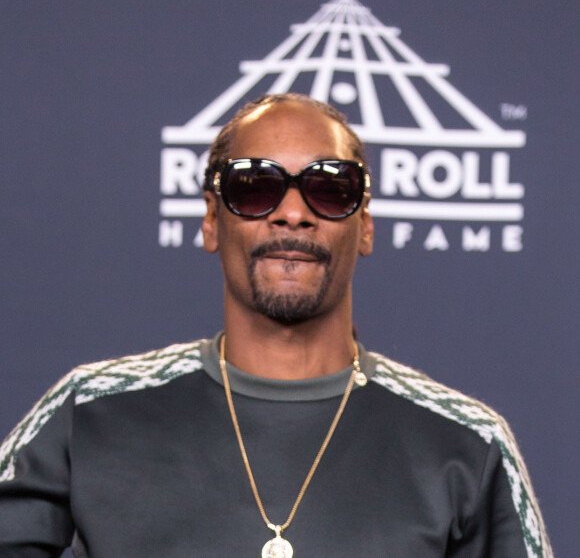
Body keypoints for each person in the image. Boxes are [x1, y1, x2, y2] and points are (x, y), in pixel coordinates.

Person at [0, 93, 552, 557]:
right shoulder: (90, 411)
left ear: (365, 227)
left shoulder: (468, 444)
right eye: (254, 187)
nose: (293, 212)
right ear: (212, 220)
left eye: (330, 188)